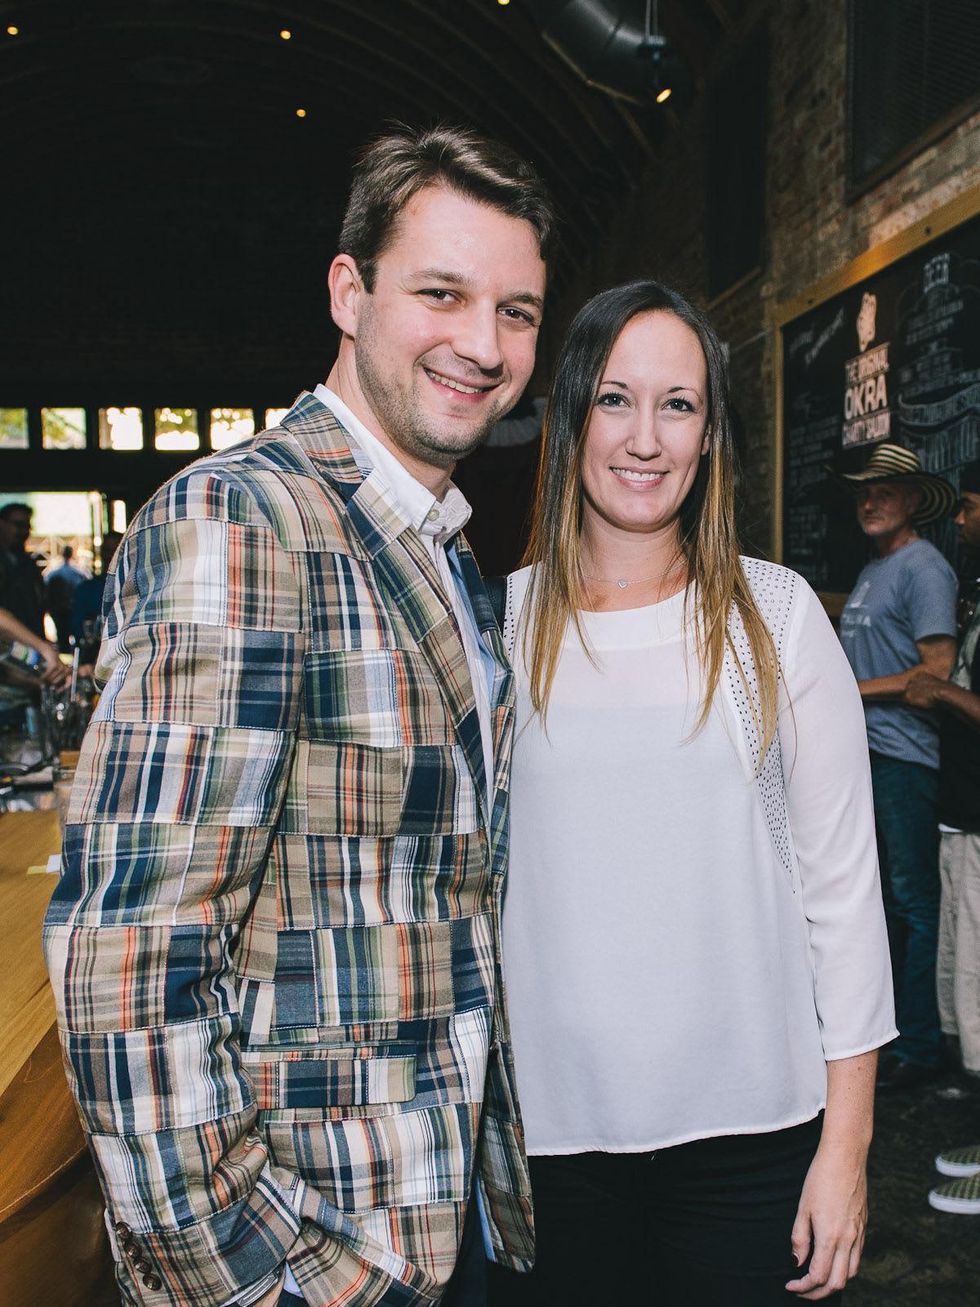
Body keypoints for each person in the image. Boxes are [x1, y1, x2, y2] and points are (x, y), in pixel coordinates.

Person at [43, 123, 553, 1307]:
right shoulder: (243, 524)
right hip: (316, 1247)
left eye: (516, 310)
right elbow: (129, 963)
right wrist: (245, 1280)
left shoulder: (444, 551)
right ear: (348, 289)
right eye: (442, 293)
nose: (482, 346)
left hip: (445, 1216)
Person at [488, 280, 896, 1306]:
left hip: (751, 1140)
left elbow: (844, 898)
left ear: (710, 431)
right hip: (551, 1143)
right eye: (615, 399)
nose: (644, 437)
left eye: (677, 404)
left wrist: (843, 1150)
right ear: (570, 415)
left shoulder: (776, 615)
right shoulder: (494, 625)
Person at [837, 443, 958, 1090]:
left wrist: (845, 691)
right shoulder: (874, 568)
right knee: (878, 898)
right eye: (863, 490)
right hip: (864, 752)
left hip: (904, 756)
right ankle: (886, 1040)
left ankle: (919, 1044)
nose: (870, 499)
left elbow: (935, 672)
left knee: (912, 900)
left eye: (885, 490)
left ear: (914, 499)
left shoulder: (923, 566)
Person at [903, 458, 980, 1215]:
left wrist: (942, 690)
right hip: (964, 811)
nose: (960, 520)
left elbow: (960, 690)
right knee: (966, 981)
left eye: (970, 508)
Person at [70, 529, 123, 660]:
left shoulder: (138, 587)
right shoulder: (86, 589)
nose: (111, 555)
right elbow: (79, 631)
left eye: (116, 550)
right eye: (107, 551)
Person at [0, 501, 46, 637]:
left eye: (27, 526)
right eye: (18, 525)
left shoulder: (28, 564)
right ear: (1, 524)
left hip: (29, 642)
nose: (24, 531)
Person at [45, 543, 88, 651]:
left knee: (62, 639)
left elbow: (46, 594)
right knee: (79, 640)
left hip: (58, 611)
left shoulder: (52, 574)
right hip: (73, 610)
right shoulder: (79, 574)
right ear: (71, 554)